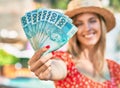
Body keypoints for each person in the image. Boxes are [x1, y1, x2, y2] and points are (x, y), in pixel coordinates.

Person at [28, 0, 120, 87]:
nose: (87, 28)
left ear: (101, 24)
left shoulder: (115, 68)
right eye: (79, 24)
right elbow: (56, 68)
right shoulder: (65, 60)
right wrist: (48, 70)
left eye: (92, 21)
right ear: (71, 31)